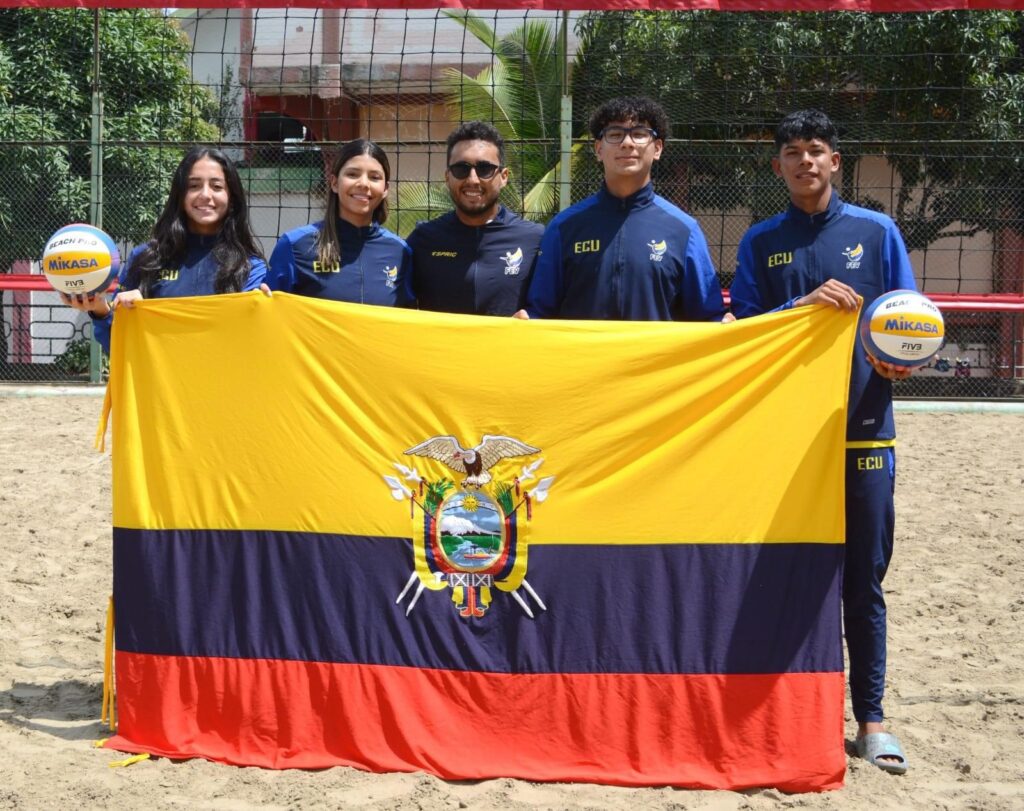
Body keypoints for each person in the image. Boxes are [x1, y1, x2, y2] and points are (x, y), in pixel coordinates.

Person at [730, 109, 916, 775]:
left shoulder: (877, 230)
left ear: (836, 161)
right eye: (791, 152)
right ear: (777, 165)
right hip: (785, 438)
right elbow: (743, 333)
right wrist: (800, 306)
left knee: (862, 579)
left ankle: (872, 720)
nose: (804, 161)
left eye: (816, 151)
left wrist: (901, 360)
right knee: (783, 578)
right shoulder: (762, 241)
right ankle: (784, 713)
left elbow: (908, 322)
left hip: (864, 431)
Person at [517, 96, 726, 322]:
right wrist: (528, 320)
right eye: (615, 135)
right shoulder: (564, 227)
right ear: (598, 149)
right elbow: (540, 311)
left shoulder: (684, 230)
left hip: (653, 358)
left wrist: (723, 325)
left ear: (657, 149)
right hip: (585, 358)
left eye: (639, 134)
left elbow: (708, 318)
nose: (627, 143)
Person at [64, 146, 267, 354]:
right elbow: (118, 345)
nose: (205, 195)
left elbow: (249, 344)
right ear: (180, 195)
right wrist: (100, 310)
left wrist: (264, 314)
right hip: (156, 386)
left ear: (231, 198)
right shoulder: (146, 258)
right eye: (194, 186)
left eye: (216, 186)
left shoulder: (250, 267)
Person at [407, 121, 542, 316]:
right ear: (447, 176)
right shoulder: (423, 239)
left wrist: (534, 317)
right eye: (461, 169)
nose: (472, 179)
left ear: (504, 176)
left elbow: (556, 306)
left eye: (484, 169)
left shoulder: (534, 238)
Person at [267, 139, 412, 305]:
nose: (363, 183)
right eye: (352, 174)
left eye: (374, 177)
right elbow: (269, 313)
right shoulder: (295, 246)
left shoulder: (400, 252)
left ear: (385, 189)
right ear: (334, 183)